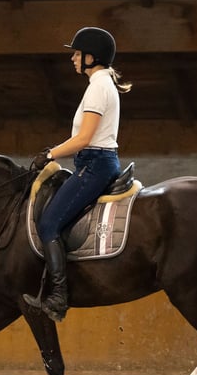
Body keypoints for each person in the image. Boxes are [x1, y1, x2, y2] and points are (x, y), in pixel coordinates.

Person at [23, 26, 132, 322]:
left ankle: (58, 296)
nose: (72, 58)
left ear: (90, 57)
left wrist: (49, 154)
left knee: (48, 224)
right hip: (94, 161)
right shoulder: (101, 83)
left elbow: (84, 139)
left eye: (76, 53)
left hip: (94, 164)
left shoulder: (98, 86)